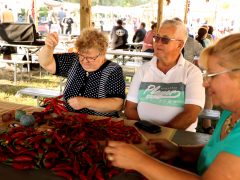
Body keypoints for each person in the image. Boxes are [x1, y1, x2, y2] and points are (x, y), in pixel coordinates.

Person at [105, 33, 240, 179]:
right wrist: (180, 151)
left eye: (212, 75)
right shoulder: (230, 112)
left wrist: (140, 162)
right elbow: (215, 151)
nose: (205, 83)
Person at [125, 19, 205, 131]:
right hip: (143, 133)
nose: (158, 43)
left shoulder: (192, 72)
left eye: (165, 40)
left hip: (178, 138)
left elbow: (190, 114)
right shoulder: (143, 70)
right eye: (157, 38)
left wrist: (161, 134)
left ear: (180, 45)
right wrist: (146, 131)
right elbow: (130, 108)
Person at [37, 28, 126, 117]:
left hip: (100, 122)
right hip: (69, 119)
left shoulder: (113, 70)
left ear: (103, 53)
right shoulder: (74, 60)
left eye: (91, 58)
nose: (85, 61)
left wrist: (86, 102)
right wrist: (49, 47)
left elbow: (117, 104)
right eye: (82, 56)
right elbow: (46, 64)